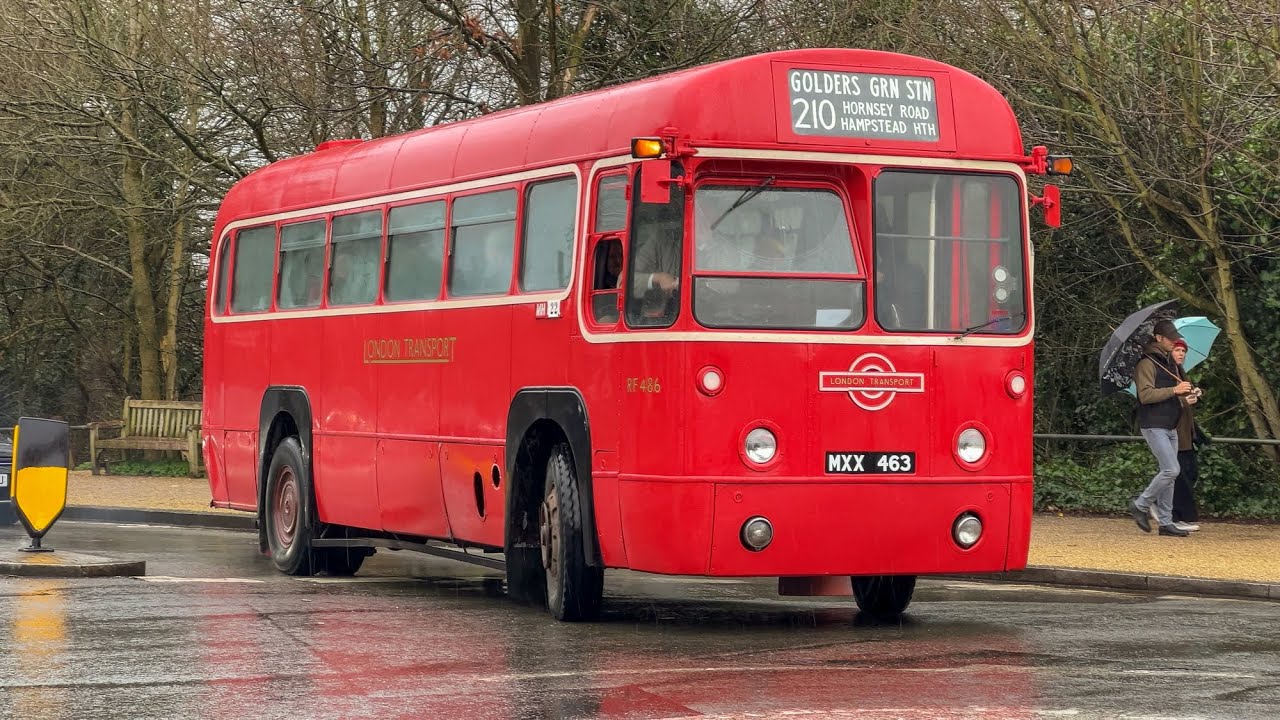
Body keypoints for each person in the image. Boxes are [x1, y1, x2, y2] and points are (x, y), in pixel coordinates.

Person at [1128, 319, 1195, 537]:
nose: (1175, 341)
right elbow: (1145, 395)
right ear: (1158, 338)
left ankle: (1166, 522)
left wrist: (1186, 395)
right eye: (1170, 338)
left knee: (1170, 473)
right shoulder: (1145, 364)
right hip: (1153, 424)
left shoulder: (1168, 363)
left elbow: (1172, 393)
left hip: (1170, 425)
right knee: (1171, 470)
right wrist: (1175, 391)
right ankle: (1141, 504)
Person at [1171, 339, 1205, 532]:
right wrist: (1185, 402)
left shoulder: (1180, 373)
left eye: (1183, 351)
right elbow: (1168, 402)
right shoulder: (1167, 376)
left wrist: (1196, 394)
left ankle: (1158, 503)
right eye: (1177, 350)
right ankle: (1176, 514)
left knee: (1189, 473)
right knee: (1179, 475)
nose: (1181, 354)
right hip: (1175, 432)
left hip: (1187, 433)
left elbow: (1186, 398)